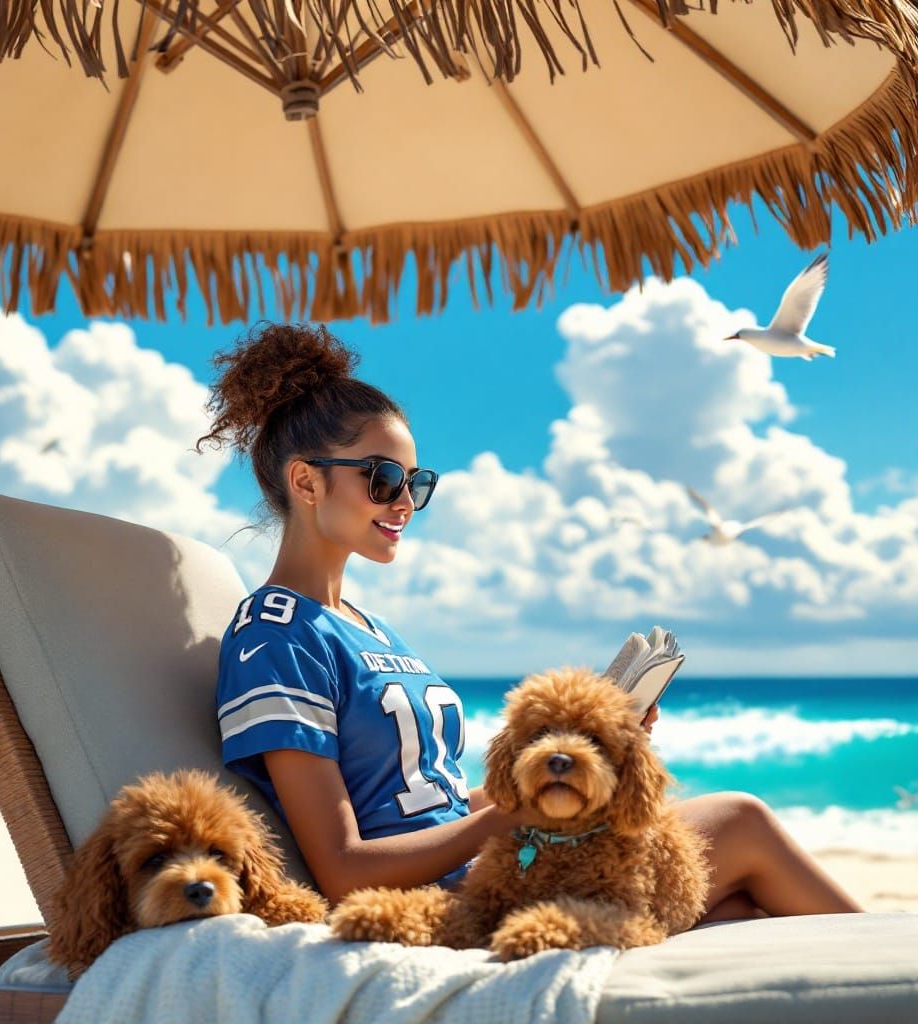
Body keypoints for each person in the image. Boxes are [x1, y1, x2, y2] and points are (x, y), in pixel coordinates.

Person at [203, 322, 861, 921]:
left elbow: (442, 807)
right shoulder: (276, 635)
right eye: (382, 479)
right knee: (742, 821)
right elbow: (343, 870)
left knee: (738, 908)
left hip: (494, 866)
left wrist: (568, 765)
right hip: (446, 901)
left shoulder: (371, 629)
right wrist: (509, 818)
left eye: (415, 483)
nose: (405, 502)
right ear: (306, 482)